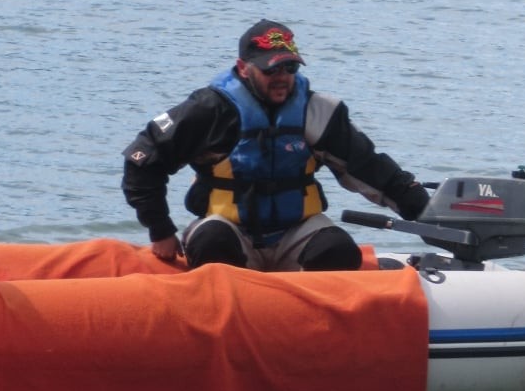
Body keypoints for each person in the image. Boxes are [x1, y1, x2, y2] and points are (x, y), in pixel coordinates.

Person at [122, 21, 429, 272]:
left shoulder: (318, 111)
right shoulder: (208, 111)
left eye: (290, 69)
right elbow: (141, 160)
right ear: (243, 68)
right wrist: (160, 230)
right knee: (212, 242)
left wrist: (425, 211)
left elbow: (369, 168)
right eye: (271, 70)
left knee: (337, 251)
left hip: (296, 231)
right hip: (230, 230)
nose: (282, 78)